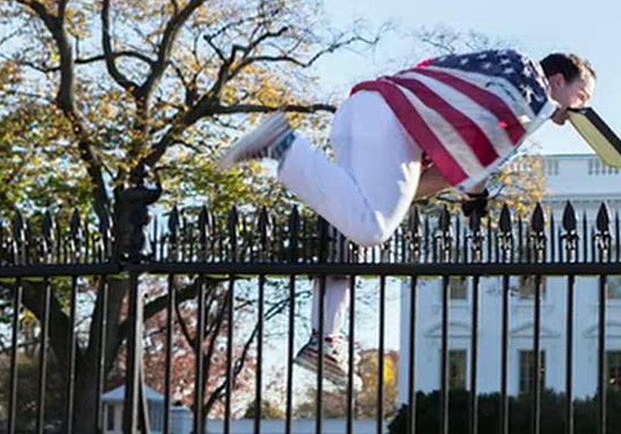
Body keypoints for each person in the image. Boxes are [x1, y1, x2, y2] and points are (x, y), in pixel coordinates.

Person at [217, 49, 595, 385]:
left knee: (351, 226)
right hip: (391, 121)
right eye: (582, 97)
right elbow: (474, 168)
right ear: (558, 81)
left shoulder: (496, 74)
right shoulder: (531, 93)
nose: (579, 110)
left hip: (361, 107)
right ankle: (284, 144)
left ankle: (325, 338)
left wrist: (455, 190)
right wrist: (475, 191)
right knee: (372, 229)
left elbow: (440, 175)